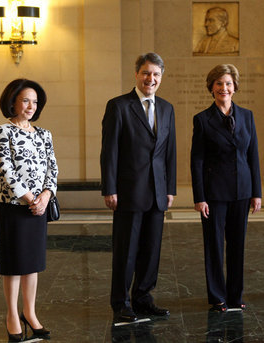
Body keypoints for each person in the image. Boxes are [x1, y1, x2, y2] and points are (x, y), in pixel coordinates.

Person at [100, 52, 177, 322]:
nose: (151, 79)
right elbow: (109, 152)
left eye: (156, 74)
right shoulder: (119, 106)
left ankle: (143, 297)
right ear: (136, 74)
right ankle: (120, 303)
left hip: (157, 193)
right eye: (146, 73)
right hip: (128, 191)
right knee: (126, 251)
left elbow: (170, 152)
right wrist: (110, 188)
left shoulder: (167, 108)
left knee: (151, 250)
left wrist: (170, 189)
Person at [191, 64, 262, 313]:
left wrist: (257, 192)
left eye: (228, 83)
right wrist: (199, 197)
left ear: (235, 87)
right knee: (214, 246)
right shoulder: (202, 120)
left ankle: (235, 295)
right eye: (219, 83)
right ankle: (217, 296)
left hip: (242, 191)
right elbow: (196, 160)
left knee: (237, 246)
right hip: (214, 194)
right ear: (211, 87)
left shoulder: (247, 116)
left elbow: (253, 156)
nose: (224, 88)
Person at [0, 79, 58, 341]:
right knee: (14, 265)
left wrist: (45, 195)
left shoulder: (44, 134)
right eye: (26, 100)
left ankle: (30, 313)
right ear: (13, 102)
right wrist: (31, 199)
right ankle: (12, 315)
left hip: (39, 208)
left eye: (35, 102)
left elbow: (53, 168)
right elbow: (4, 170)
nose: (31, 106)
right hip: (14, 207)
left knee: (33, 264)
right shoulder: (2, 131)